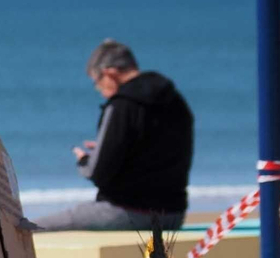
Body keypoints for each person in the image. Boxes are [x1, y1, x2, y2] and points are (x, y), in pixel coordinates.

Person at [37, 39, 194, 231]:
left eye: (98, 83)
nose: (101, 91)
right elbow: (154, 149)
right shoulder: (176, 101)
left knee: (32, 228)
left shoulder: (122, 105)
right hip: (173, 215)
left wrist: (85, 160)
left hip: (130, 212)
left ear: (110, 73)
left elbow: (98, 173)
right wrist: (110, 148)